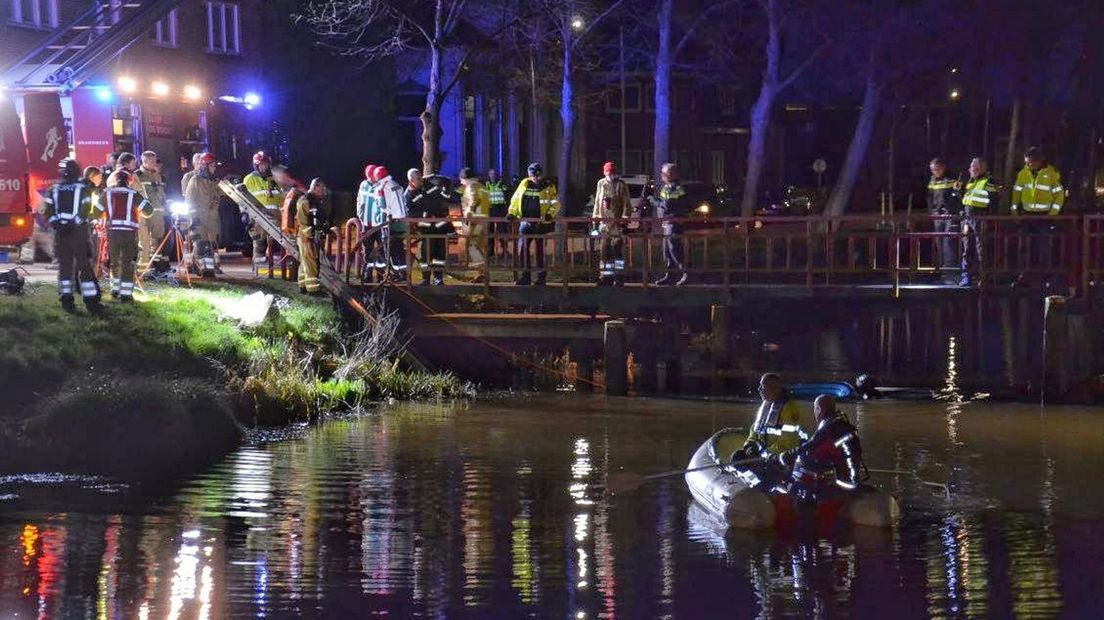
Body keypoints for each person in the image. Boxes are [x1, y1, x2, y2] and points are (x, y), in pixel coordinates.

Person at [776, 394, 868, 509]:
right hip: (853, 477)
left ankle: (804, 507)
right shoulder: (842, 424)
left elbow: (810, 449)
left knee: (804, 464)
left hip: (844, 483)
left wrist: (785, 457)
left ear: (818, 409)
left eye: (815, 409)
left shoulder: (828, 429)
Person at [723, 373, 808, 491]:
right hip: (765, 454)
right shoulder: (766, 405)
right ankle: (750, 483)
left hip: (783, 457)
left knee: (769, 469)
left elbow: (788, 442)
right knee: (738, 457)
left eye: (762, 387)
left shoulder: (788, 409)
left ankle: (767, 489)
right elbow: (756, 430)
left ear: (774, 389)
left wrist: (765, 455)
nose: (759, 390)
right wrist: (750, 445)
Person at [40, 158, 101, 312]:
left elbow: (46, 211)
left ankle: (66, 301)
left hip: (60, 234)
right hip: (78, 232)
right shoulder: (84, 188)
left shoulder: (53, 189)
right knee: (84, 266)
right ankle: (91, 302)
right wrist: (73, 224)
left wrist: (58, 225)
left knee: (64, 266)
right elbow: (86, 209)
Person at [1011, 147, 1065, 284]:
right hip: (1027, 215)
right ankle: (1025, 274)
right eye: (1026, 162)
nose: (1028, 165)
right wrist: (1014, 211)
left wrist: (1053, 213)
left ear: (1039, 161)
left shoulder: (1051, 173)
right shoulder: (1023, 173)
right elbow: (1016, 192)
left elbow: (1059, 194)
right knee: (1024, 246)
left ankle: (1044, 276)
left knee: (1043, 246)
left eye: (1030, 162)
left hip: (1044, 216)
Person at [102, 169, 153, 301]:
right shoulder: (134, 194)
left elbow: (96, 211)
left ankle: (115, 290)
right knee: (128, 263)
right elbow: (148, 210)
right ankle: (126, 294)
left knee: (115, 262)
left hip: (112, 233)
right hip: (129, 233)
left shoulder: (107, 193)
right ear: (129, 181)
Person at [508, 162, 560, 285]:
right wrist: (511, 213)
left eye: (537, 176)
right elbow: (515, 200)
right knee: (523, 250)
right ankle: (526, 277)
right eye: (533, 176)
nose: (535, 178)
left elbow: (556, 203)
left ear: (541, 175)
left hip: (541, 223)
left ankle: (541, 278)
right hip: (525, 222)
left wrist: (550, 214)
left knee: (540, 252)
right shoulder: (524, 184)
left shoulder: (548, 186)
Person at [957, 157, 1000, 287]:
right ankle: (967, 277)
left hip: (981, 217)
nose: (971, 170)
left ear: (982, 168)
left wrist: (989, 217)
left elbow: (994, 201)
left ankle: (985, 278)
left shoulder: (990, 181)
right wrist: (960, 191)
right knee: (967, 248)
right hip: (967, 218)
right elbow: (967, 200)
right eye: (971, 167)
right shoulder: (970, 182)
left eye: (974, 167)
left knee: (982, 249)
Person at [408, 169, 454, 285]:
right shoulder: (409, 195)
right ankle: (426, 278)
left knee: (440, 254)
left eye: (421, 177)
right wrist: (427, 215)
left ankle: (438, 278)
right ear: (411, 180)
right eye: (418, 179)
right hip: (426, 229)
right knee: (426, 254)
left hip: (440, 227)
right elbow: (412, 213)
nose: (421, 180)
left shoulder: (429, 185)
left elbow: (442, 197)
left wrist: (435, 177)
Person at [651, 162, 692, 286]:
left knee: (674, 249)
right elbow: (665, 202)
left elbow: (668, 204)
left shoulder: (677, 188)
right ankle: (670, 275)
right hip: (667, 222)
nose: (662, 175)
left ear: (671, 174)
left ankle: (686, 273)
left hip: (674, 222)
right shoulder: (667, 187)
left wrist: (654, 201)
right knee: (667, 251)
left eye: (664, 173)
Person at [592, 161, 631, 285]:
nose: (610, 175)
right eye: (608, 173)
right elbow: (597, 202)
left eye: (612, 173)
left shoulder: (621, 185)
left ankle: (619, 277)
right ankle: (605, 276)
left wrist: (624, 220)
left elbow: (627, 203)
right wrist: (595, 220)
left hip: (617, 224)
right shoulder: (601, 184)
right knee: (604, 251)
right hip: (604, 224)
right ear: (604, 173)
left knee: (617, 251)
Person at [183, 152, 223, 272]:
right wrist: (193, 219)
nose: (214, 168)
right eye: (212, 165)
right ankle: (205, 270)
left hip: (211, 220)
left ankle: (201, 267)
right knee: (201, 245)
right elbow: (189, 200)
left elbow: (219, 195)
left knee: (211, 245)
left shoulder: (213, 182)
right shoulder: (195, 180)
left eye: (215, 165)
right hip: (199, 219)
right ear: (205, 166)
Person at [242, 151, 284, 265]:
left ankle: (276, 263)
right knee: (259, 241)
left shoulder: (275, 180)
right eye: (261, 164)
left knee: (276, 240)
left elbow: (282, 197)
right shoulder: (249, 179)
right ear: (256, 165)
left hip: (276, 216)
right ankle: (259, 262)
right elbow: (243, 200)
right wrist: (245, 215)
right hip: (258, 217)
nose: (264, 167)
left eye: (266, 164)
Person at [926, 157, 959, 281]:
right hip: (937, 215)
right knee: (939, 242)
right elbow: (929, 197)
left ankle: (950, 271)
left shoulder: (951, 178)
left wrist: (952, 210)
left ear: (943, 167)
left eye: (937, 169)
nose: (935, 172)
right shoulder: (932, 180)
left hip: (949, 215)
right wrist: (932, 211)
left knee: (948, 242)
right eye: (933, 170)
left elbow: (957, 196)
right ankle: (941, 270)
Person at [295, 178, 329, 295]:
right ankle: (313, 290)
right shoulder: (305, 201)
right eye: (322, 188)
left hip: (310, 237)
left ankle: (303, 286)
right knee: (311, 262)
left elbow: (318, 219)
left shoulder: (315, 201)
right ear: (315, 187)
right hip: (306, 238)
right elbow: (302, 222)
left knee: (305, 262)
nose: (324, 190)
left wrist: (324, 229)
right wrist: (312, 235)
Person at [134, 151, 167, 268]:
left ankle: (157, 266)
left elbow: (162, 194)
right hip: (144, 215)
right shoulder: (137, 175)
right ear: (144, 161)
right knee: (144, 241)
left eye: (155, 160)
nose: (155, 163)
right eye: (152, 161)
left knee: (157, 240)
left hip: (158, 214)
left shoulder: (158, 176)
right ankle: (144, 267)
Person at [376, 166, 408, 280]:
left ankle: (395, 273)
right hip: (402, 221)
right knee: (399, 247)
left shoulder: (382, 187)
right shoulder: (396, 184)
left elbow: (382, 205)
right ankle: (404, 273)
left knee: (390, 248)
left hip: (391, 221)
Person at [357, 164, 387, 281]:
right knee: (368, 250)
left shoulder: (380, 185)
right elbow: (360, 201)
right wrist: (360, 215)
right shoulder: (365, 185)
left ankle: (379, 275)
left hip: (379, 224)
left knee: (381, 250)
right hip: (368, 224)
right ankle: (367, 275)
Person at [459, 167, 490, 273]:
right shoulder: (482, 186)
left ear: (465, 178)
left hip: (475, 221)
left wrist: (468, 216)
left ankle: (482, 271)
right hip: (484, 219)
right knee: (479, 246)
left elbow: (473, 201)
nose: (460, 181)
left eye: (461, 179)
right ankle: (481, 272)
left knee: (472, 246)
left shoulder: (471, 186)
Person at [484, 168, 511, 258]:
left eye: (494, 174)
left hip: (500, 209)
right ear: (489, 175)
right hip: (490, 209)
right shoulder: (486, 184)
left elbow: (507, 194)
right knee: (489, 231)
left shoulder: (502, 184)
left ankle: (504, 250)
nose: (493, 176)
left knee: (502, 231)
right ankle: (490, 252)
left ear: (497, 175)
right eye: (491, 174)